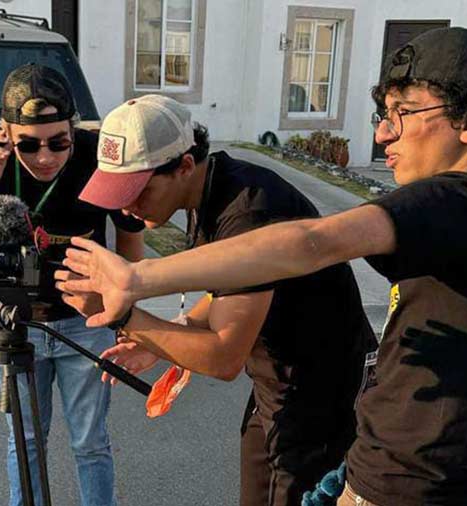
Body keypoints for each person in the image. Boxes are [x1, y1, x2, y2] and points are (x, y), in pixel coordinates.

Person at [56, 28, 467, 506]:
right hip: (459, 471)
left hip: (399, 478)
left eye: (404, 112)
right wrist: (173, 330)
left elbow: (311, 243)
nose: (381, 132)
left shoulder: (457, 201)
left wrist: (134, 285)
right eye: (384, 112)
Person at [57, 94, 377, 506]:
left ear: (185, 165)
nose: (126, 207)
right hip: (277, 385)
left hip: (321, 395)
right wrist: (167, 340)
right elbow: (227, 292)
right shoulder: (212, 188)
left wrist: (125, 317)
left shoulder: (248, 210)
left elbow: (224, 356)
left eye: (137, 190)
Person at [0, 63, 144, 506]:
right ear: (6, 131)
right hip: (16, 325)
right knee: (25, 443)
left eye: (58, 142)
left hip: (87, 321)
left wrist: (123, 315)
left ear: (73, 126)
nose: (45, 156)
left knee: (91, 443)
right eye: (28, 144)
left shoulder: (96, 154)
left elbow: (131, 238)